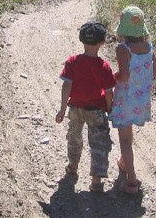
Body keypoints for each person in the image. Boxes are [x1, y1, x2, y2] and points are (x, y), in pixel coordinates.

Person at [55, 21, 116, 193]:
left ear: (81, 40)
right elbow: (109, 91)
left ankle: (73, 166)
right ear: (103, 42)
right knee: (99, 143)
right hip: (96, 110)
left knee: (74, 137)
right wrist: (109, 107)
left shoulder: (72, 61)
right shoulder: (104, 66)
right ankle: (96, 180)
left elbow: (66, 86)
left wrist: (62, 109)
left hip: (75, 108)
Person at [109, 6, 156, 194]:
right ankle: (124, 162)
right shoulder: (149, 47)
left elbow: (123, 76)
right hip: (141, 100)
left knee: (124, 140)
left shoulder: (122, 49)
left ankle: (131, 180)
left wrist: (112, 76)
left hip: (125, 98)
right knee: (128, 137)